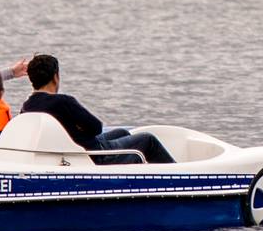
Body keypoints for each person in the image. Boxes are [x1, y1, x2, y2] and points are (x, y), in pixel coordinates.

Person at [19, 53, 173, 163]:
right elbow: (96, 127)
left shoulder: (27, 106)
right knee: (148, 139)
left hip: (70, 149)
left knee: (122, 133)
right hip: (94, 154)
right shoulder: (63, 102)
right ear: (55, 77)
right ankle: (176, 175)